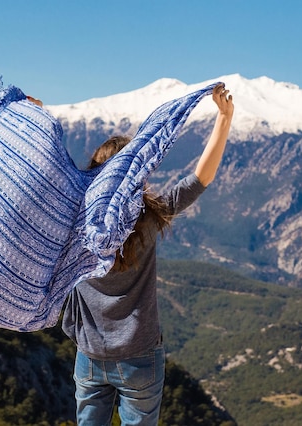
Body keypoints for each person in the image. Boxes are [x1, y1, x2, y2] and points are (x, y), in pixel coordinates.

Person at [60, 83, 234, 425]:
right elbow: (202, 177)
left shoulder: (73, 226)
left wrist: (32, 115)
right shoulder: (150, 218)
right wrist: (224, 118)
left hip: (90, 355)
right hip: (140, 357)